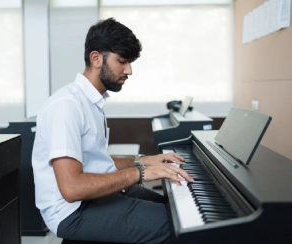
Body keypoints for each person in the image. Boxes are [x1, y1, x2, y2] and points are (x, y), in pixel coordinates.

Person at [32, 18, 193, 243]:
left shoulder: (92, 101)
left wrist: (144, 161)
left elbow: (97, 162)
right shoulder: (66, 106)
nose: (129, 70)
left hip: (94, 197)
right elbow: (72, 188)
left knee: (176, 207)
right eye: (122, 61)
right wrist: (141, 174)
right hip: (73, 212)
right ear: (96, 58)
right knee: (177, 226)